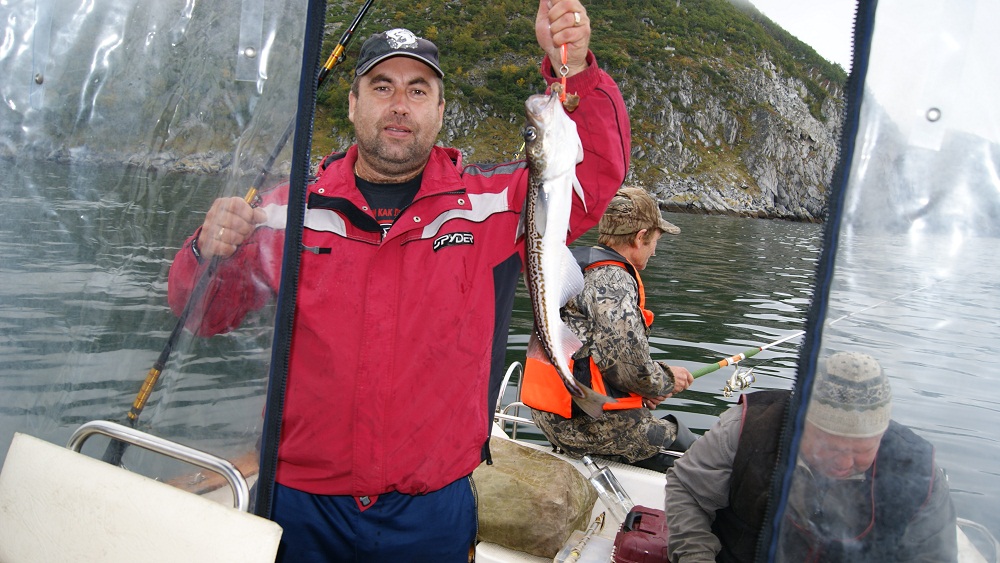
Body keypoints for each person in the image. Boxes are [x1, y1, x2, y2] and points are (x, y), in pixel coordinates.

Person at [166, 1, 629, 561]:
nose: (400, 105)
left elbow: (592, 173)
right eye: (382, 86)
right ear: (353, 102)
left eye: (418, 90)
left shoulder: (494, 205)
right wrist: (208, 250)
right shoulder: (288, 211)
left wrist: (572, 68)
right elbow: (204, 314)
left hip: (431, 508)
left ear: (440, 110)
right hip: (299, 502)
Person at [665, 351, 957, 563]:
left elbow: (933, 555)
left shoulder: (919, 472)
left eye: (861, 450)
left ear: (881, 435)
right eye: (830, 446)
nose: (843, 464)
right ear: (801, 422)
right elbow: (688, 490)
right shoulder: (748, 427)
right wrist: (695, 557)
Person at [523, 187, 696, 472]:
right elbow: (629, 367)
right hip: (585, 425)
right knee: (701, 456)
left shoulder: (577, 267)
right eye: (655, 241)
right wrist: (666, 379)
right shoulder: (612, 282)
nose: (654, 250)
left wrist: (643, 392)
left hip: (550, 414)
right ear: (640, 237)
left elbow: (596, 355)